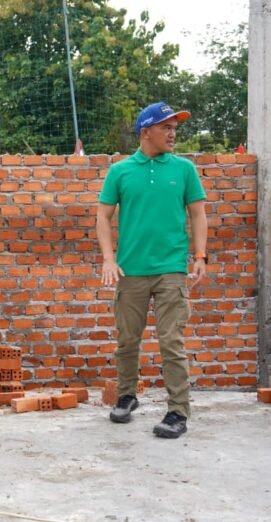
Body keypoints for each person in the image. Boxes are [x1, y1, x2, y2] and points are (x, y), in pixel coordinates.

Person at [97, 102, 207, 439]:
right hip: (130, 270)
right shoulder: (120, 171)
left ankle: (178, 412)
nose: (172, 133)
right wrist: (108, 259)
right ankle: (127, 396)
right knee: (127, 340)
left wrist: (200, 255)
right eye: (165, 127)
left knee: (172, 342)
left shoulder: (184, 169)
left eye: (175, 128)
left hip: (171, 269)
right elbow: (102, 216)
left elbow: (198, 214)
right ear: (146, 132)